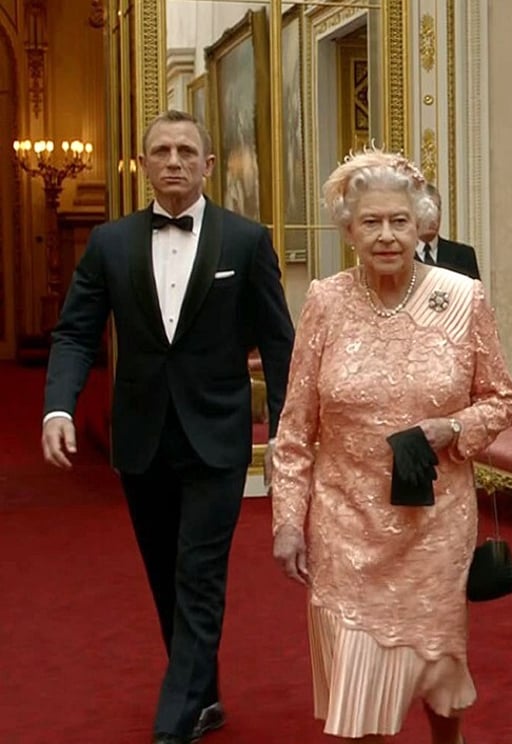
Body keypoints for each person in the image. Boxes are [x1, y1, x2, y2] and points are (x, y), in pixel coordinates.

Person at [41, 110, 295, 744]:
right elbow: (75, 333)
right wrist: (58, 406)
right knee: (164, 574)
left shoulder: (246, 241)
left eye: (186, 150)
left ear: (207, 164)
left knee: (198, 573)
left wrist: (287, 432)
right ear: (143, 165)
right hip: (141, 435)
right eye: (161, 151)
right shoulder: (110, 243)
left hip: (218, 436)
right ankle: (203, 697)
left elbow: (278, 341)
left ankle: (173, 722)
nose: (174, 161)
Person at [269, 148, 512, 743]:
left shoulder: (462, 298)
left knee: (436, 663)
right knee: (360, 683)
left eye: (399, 221)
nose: (386, 235)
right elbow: (296, 428)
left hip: (433, 523)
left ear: (421, 224)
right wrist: (287, 521)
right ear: (349, 230)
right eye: (371, 222)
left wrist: (452, 429)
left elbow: (503, 400)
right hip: (345, 522)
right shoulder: (325, 300)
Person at [415, 183, 481, 279]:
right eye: (426, 209)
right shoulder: (403, 257)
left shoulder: (464, 255)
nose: (433, 216)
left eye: (437, 208)